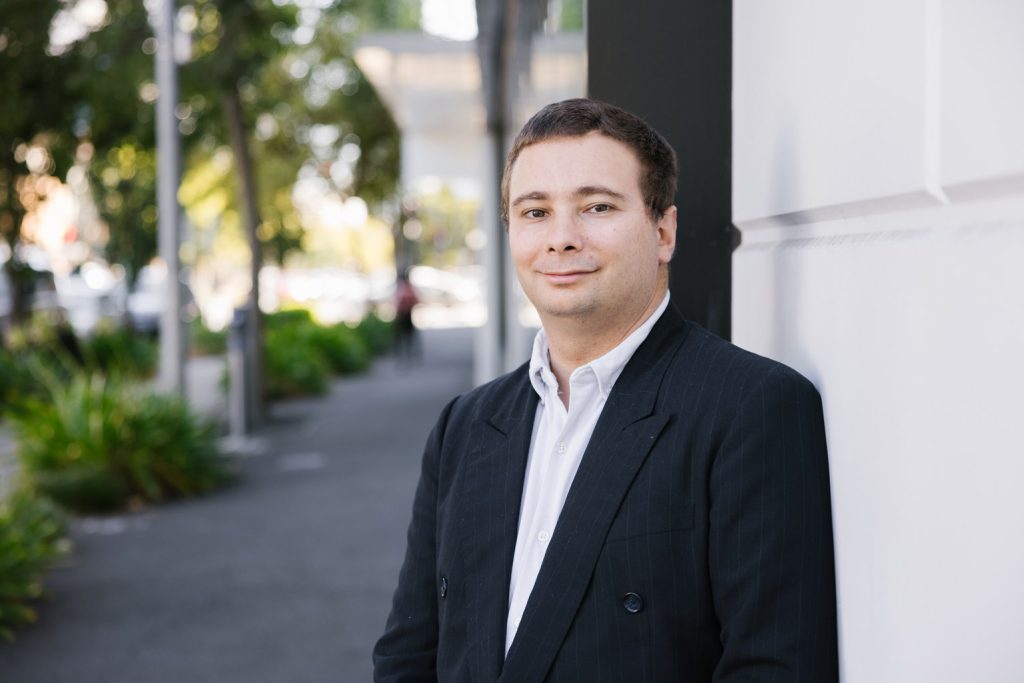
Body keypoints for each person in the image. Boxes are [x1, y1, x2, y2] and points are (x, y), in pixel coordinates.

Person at [373, 98, 838, 682]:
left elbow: (774, 667)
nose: (561, 238)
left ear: (663, 231)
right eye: (534, 212)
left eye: (596, 206)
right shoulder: (465, 426)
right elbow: (408, 655)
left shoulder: (752, 407)